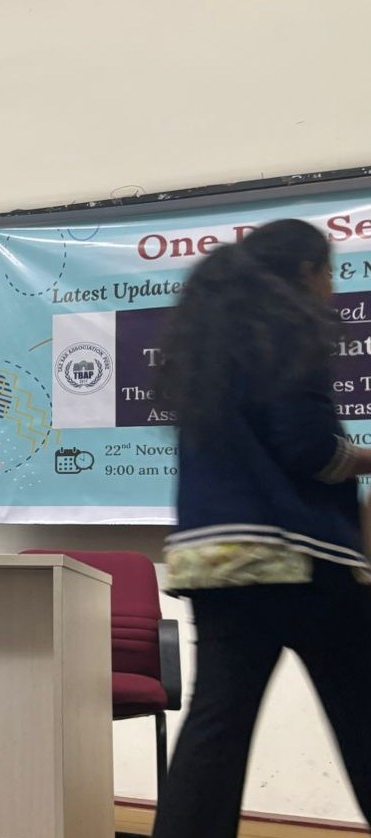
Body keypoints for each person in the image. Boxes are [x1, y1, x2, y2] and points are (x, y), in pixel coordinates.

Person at [153, 219, 371, 836]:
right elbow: (312, 452)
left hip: (216, 562)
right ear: (305, 271)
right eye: (330, 271)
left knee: (215, 733)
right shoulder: (289, 330)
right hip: (299, 560)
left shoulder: (209, 347)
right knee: (364, 717)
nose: (331, 287)